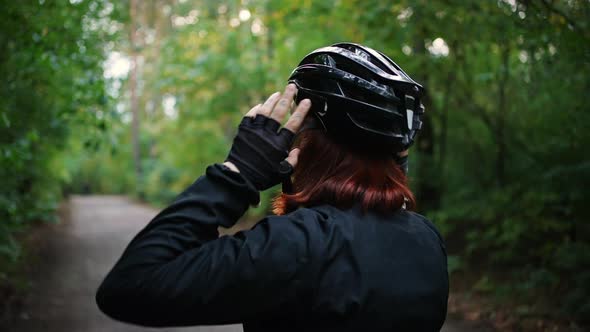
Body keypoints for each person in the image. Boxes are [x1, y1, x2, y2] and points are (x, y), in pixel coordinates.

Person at [95, 42, 449, 332]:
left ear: (312, 142)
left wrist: (237, 174)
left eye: (298, 130)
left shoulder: (300, 244)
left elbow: (131, 285)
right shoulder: (426, 241)